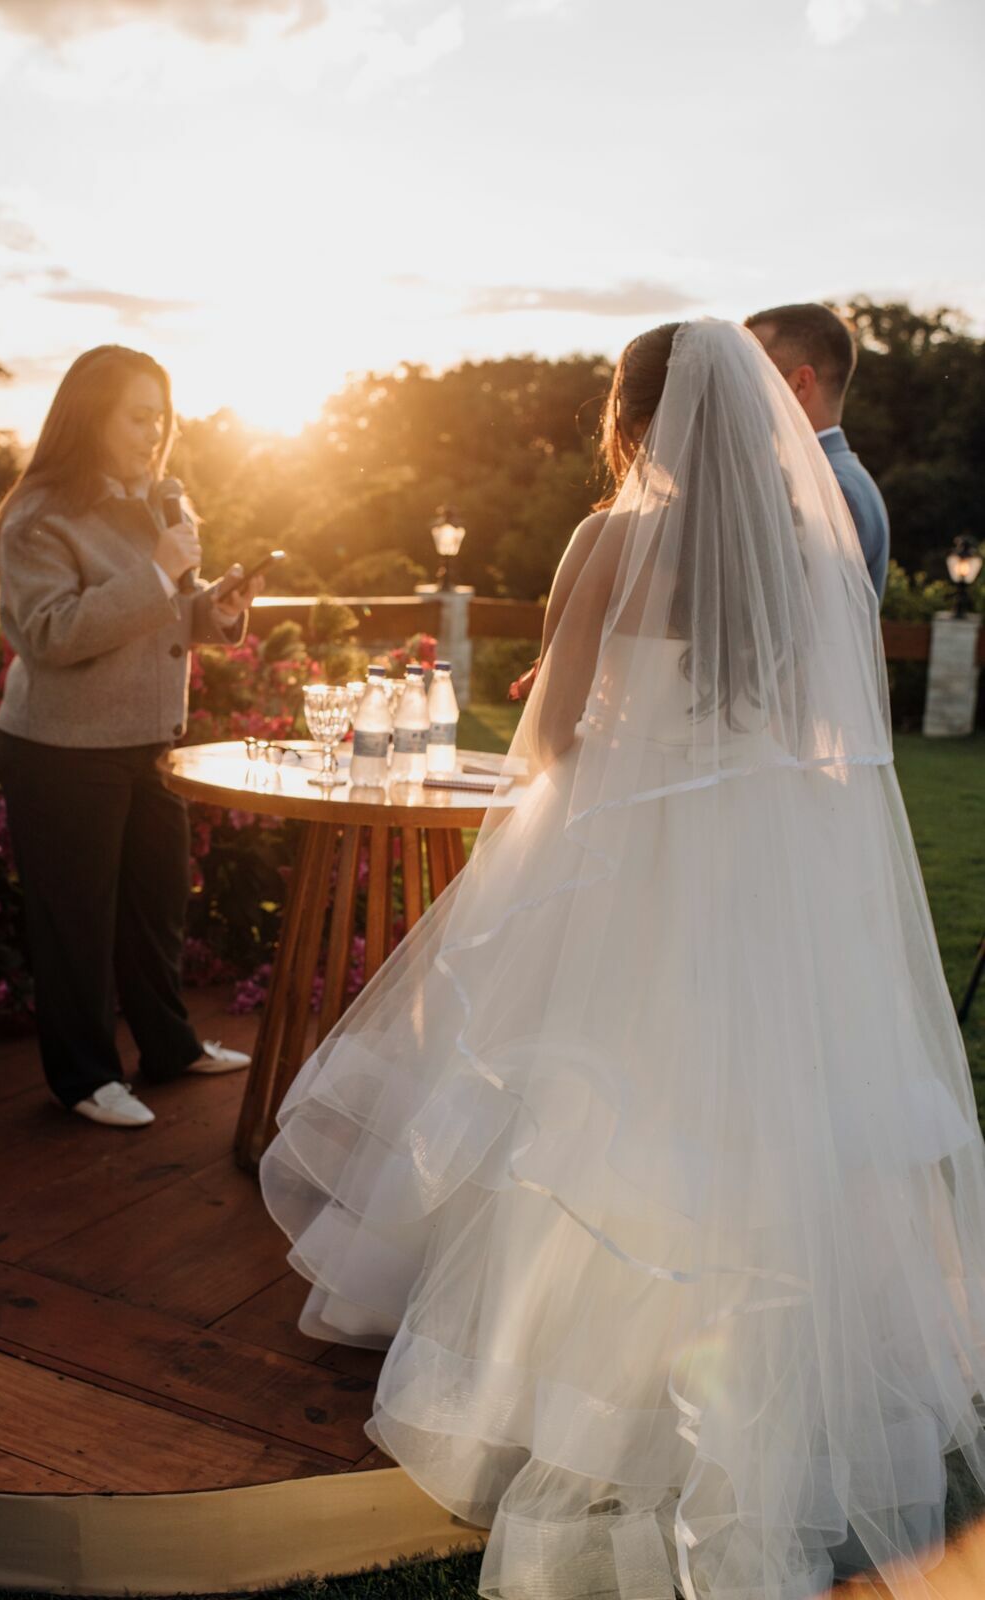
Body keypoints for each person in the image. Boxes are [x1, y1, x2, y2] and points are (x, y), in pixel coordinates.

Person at [260, 321, 985, 1600]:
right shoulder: (809, 550)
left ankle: (564, 1381)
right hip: (763, 874)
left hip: (622, 858)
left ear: (634, 413)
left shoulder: (610, 537)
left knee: (580, 1099)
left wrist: (588, 732)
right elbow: (829, 736)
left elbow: (548, 735)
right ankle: (780, 1383)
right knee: (767, 1114)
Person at [0, 345, 265, 1129]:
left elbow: (165, 616)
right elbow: (51, 633)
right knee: (75, 921)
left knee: (156, 906)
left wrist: (221, 608)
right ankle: (83, 1078)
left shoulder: (159, 503)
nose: (155, 431)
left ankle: (170, 1048)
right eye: (138, 414)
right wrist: (156, 572)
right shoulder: (39, 515)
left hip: (148, 741)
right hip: (61, 751)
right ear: (90, 415)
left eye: (161, 416)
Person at [746, 302, 890, 599]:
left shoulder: (834, 490)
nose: (741, 387)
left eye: (753, 375)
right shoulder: (828, 475)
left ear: (800, 383)